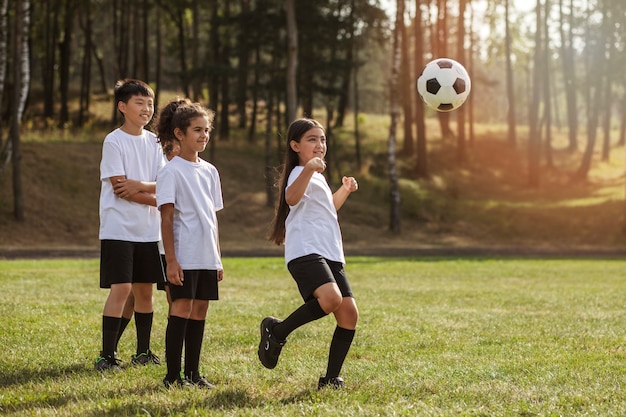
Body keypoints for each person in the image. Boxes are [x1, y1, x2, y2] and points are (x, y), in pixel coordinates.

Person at [259, 118, 359, 389]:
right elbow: (291, 198)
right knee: (330, 299)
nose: (320, 145)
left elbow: (328, 208)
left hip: (330, 252)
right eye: (312, 139)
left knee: (349, 315)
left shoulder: (319, 178)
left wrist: (344, 190)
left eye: (322, 139)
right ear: (295, 146)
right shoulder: (298, 173)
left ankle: (330, 378)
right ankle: (277, 331)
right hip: (305, 250)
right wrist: (309, 169)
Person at [96, 79, 165, 371]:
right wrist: (154, 196)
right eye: (140, 103)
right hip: (118, 228)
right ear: (122, 107)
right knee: (122, 288)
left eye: (150, 103)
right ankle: (106, 356)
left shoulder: (154, 142)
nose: (146, 109)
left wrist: (141, 188)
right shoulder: (114, 141)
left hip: (149, 229)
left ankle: (143, 352)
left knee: (144, 292)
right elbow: (118, 187)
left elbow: (165, 185)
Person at [156, 99, 224, 389]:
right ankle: (172, 377)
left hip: (206, 255)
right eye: (197, 130)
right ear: (179, 134)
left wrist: (218, 258)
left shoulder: (210, 171)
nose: (203, 136)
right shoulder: (170, 171)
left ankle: (194, 374)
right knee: (181, 309)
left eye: (206, 130)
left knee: (200, 311)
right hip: (183, 255)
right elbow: (167, 220)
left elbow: (212, 219)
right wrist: (171, 260)